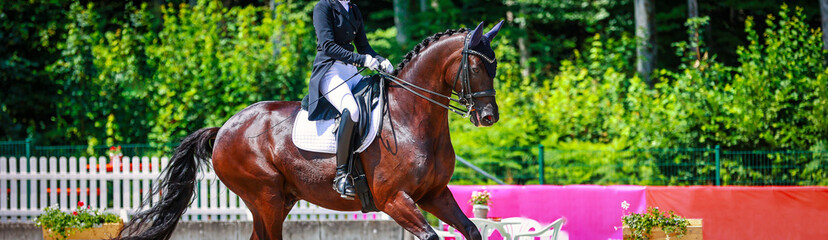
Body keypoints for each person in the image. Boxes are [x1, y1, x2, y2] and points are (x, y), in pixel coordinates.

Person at [308, 0, 393, 200]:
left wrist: (381, 60)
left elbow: (364, 46)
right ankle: (341, 174)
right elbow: (328, 46)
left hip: (351, 71)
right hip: (330, 70)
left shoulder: (353, 9)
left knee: (379, 99)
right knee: (352, 109)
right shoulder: (324, 7)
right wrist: (362, 60)